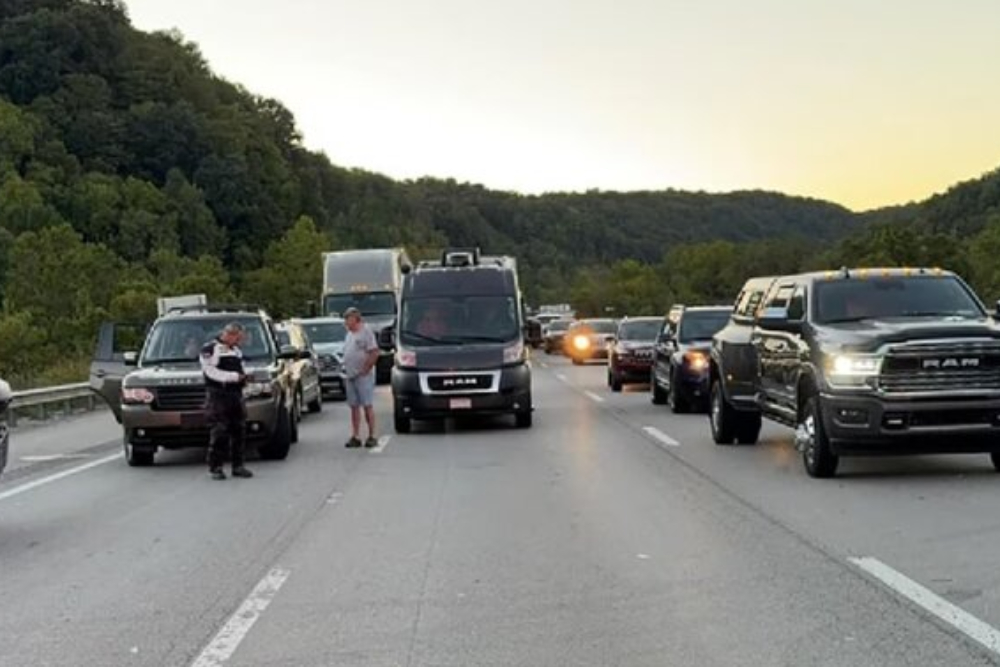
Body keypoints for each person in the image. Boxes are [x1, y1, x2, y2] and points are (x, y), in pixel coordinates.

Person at [200, 322, 253, 480]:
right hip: (218, 394)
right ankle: (215, 467)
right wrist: (234, 377)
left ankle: (238, 465)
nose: (239, 341)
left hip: (235, 394)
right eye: (238, 338)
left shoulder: (236, 351)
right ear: (229, 335)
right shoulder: (210, 349)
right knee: (220, 430)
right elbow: (210, 372)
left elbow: (241, 368)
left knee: (239, 429)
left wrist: (246, 377)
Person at [342, 307, 380, 448]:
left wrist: (366, 368)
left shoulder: (366, 332)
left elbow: (374, 352)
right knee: (354, 406)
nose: (346, 322)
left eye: (348, 319)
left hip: (363, 375)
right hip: (350, 375)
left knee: (367, 405)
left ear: (355, 319)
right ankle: (356, 435)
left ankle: (372, 435)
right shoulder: (349, 334)